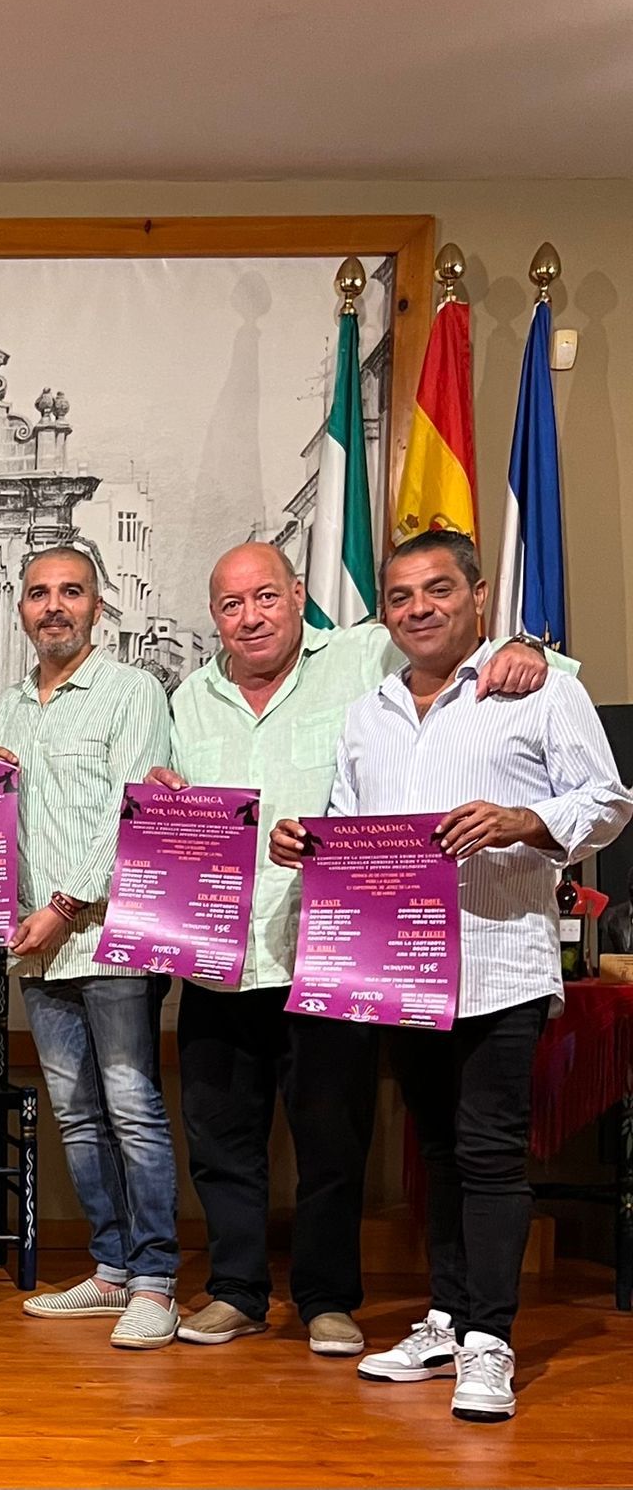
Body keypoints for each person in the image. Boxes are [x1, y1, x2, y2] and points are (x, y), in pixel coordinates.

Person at [153, 542, 552, 1355]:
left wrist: (528, 646)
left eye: (265, 597)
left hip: (333, 957)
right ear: (215, 618)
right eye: (231, 606)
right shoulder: (187, 696)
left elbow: (451, 637)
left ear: (299, 595)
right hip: (219, 956)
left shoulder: (363, 654)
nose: (251, 616)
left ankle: (327, 1299)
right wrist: (165, 801)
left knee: (332, 1142)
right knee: (220, 1140)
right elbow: (168, 797)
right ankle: (234, 1291)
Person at [271, 529, 631, 1424]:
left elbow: (609, 801)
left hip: (501, 961)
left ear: (477, 597)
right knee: (437, 1154)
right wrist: (308, 844)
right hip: (404, 972)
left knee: (489, 1153)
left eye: (437, 591)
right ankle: (446, 1317)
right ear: (384, 613)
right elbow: (355, 828)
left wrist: (522, 820)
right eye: (400, 597)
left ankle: (491, 1340)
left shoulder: (542, 688)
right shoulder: (370, 711)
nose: (419, 609)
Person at [0, 546, 179, 1350]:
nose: (54, 606)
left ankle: (157, 1283)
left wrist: (64, 907)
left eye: (72, 592)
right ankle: (108, 1270)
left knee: (132, 1108)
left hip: (110, 936)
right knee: (76, 1115)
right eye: (39, 594)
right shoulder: (6, 708)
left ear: (100, 606)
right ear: (21, 609)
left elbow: (130, 816)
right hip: (36, 945)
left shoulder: (134, 691)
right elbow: (4, 827)